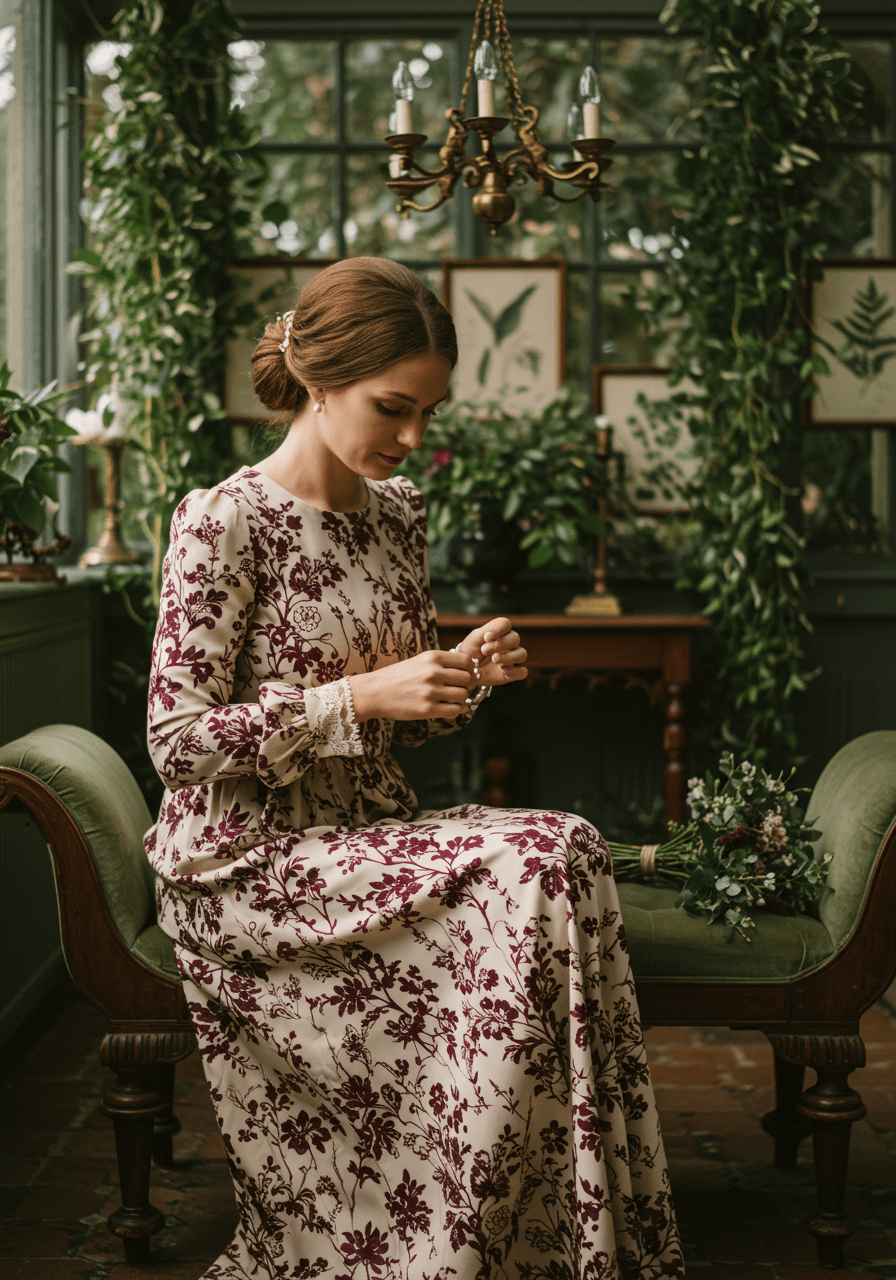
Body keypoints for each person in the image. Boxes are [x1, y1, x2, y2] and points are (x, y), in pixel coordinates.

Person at [145, 256, 683, 1280]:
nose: (411, 438)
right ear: (316, 375)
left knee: (563, 848)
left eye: (428, 411)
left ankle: (536, 1236)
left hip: (365, 837)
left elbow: (397, 711)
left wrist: (463, 678)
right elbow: (177, 741)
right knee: (544, 847)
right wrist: (361, 697)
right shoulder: (222, 520)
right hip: (249, 861)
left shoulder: (398, 515)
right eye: (393, 407)